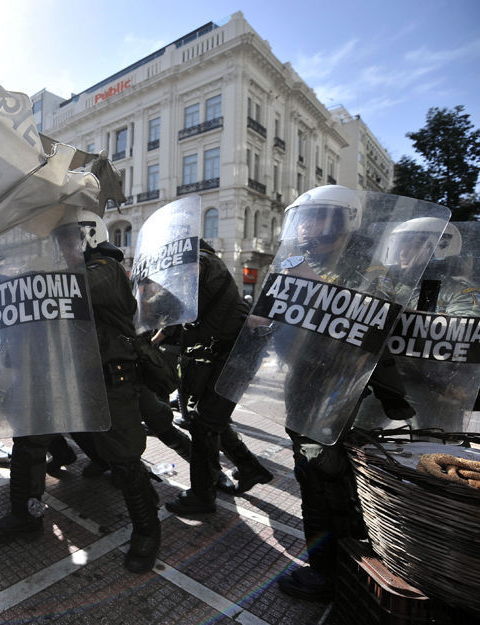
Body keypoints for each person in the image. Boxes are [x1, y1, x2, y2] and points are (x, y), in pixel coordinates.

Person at [0, 211, 161, 574]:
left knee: (124, 457)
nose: (63, 248)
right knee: (30, 442)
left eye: (68, 240)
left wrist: (19, 279)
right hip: (59, 375)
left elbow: (77, 288)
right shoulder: (61, 272)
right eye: (59, 241)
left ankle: (147, 529)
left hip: (110, 379)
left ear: (89, 237)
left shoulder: (106, 271)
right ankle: (25, 513)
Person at [269, 186, 416, 602]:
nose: (304, 228)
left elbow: (375, 330)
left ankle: (330, 574)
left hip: (340, 394)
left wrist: (311, 285)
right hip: (302, 387)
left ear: (339, 221)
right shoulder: (300, 263)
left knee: (325, 482)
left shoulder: (368, 271)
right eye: (302, 219)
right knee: (312, 475)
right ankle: (341, 564)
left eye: (315, 219)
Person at [154, 240, 273, 515]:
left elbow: (181, 300)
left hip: (235, 357)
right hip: (228, 356)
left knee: (204, 425)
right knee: (209, 420)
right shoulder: (204, 268)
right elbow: (181, 315)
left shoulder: (205, 264)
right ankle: (249, 468)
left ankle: (202, 497)